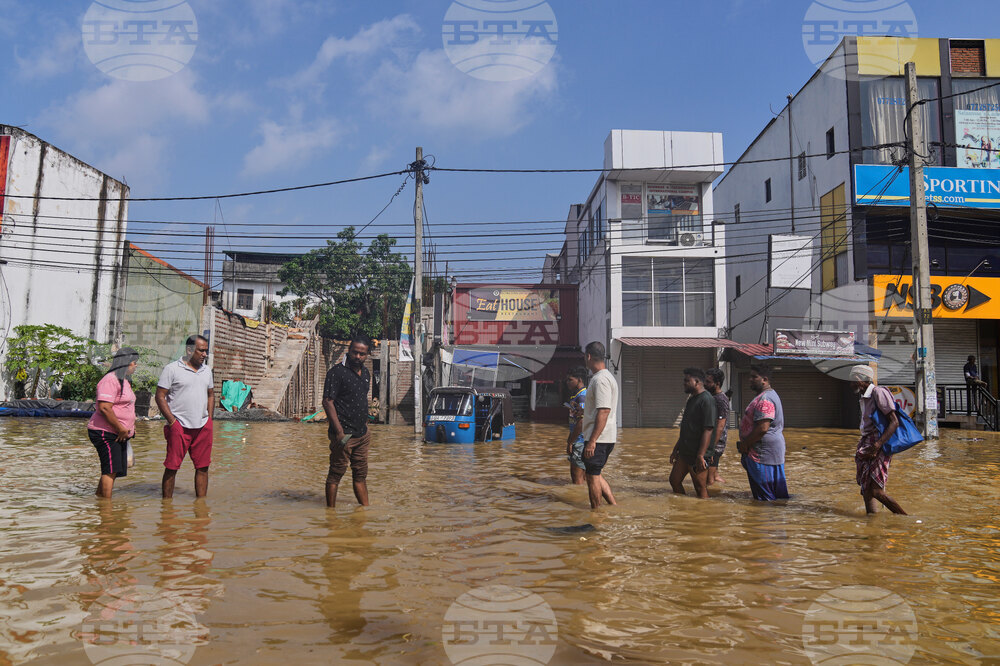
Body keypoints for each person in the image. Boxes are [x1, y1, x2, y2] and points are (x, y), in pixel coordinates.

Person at [156, 335, 214, 499]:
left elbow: (211, 394)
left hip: (202, 426)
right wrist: (172, 421)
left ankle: (201, 506)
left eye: (206, 351)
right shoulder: (172, 369)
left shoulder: (207, 371)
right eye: (201, 350)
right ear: (189, 350)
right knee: (172, 467)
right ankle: (166, 508)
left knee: (203, 467)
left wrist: (209, 419)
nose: (204, 354)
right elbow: (160, 396)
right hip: (179, 426)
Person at [323, 335, 373, 508]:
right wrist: (339, 433)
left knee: (360, 474)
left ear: (367, 355)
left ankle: (365, 510)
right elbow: (328, 401)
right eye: (354, 353)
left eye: (362, 354)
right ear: (349, 351)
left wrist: (365, 426)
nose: (357, 357)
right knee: (335, 474)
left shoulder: (366, 373)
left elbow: (361, 399)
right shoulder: (336, 373)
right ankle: (330, 515)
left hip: (362, 434)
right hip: (344, 434)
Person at [850, 365, 907, 515]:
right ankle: (872, 524)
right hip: (867, 442)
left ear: (859, 379)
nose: (850, 385)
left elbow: (894, 422)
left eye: (852, 381)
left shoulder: (879, 393)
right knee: (866, 489)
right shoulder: (864, 397)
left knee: (876, 491)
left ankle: (905, 518)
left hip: (879, 443)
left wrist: (877, 445)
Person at [87, 347, 140, 498]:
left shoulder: (124, 380)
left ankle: (100, 498)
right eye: (134, 363)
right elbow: (104, 407)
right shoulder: (110, 380)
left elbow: (125, 406)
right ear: (125, 363)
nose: (135, 366)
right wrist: (121, 428)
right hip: (105, 431)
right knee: (110, 470)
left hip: (119, 432)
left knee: (113, 470)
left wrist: (129, 428)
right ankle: (106, 511)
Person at [736, 365, 789, 501]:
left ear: (764, 380)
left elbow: (762, 428)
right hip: (770, 453)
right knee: (777, 496)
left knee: (764, 498)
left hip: (761, 454)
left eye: (754, 377)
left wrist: (745, 444)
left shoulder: (765, 399)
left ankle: (763, 522)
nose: (750, 380)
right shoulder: (770, 395)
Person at [669, 368, 717, 499]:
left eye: (686, 380)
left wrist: (701, 455)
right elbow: (686, 428)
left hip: (698, 454)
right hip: (685, 452)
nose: (684, 383)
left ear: (697, 382)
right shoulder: (691, 399)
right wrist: (675, 449)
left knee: (700, 487)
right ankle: (683, 510)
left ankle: (704, 515)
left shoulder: (707, 400)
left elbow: (708, 429)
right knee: (674, 480)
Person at [580, 341, 618, 510]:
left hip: (599, 438)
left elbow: (604, 411)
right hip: (604, 436)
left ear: (588, 356)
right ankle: (613, 505)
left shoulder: (600, 380)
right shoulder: (606, 377)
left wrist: (592, 440)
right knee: (594, 473)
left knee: (592, 477)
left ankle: (596, 513)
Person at [704, 368, 730, 486]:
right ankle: (723, 488)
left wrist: (711, 448)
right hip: (711, 442)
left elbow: (720, 425)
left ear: (717, 383)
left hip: (715, 443)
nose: (705, 384)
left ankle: (710, 500)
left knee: (708, 480)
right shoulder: (712, 396)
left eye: (708, 382)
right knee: (714, 475)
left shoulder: (720, 399)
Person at [564, 366, 589, 485]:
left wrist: (570, 442)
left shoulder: (582, 397)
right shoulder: (578, 395)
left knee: (577, 479)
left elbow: (581, 422)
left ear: (579, 380)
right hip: (580, 440)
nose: (567, 382)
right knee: (584, 477)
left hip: (579, 442)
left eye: (570, 380)